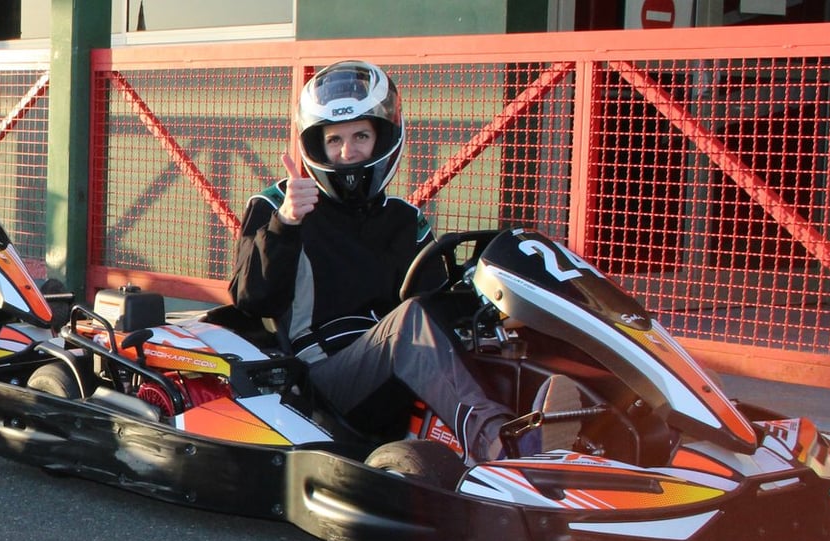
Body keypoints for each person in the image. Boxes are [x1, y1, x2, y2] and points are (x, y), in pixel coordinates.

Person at [229, 60, 573, 465]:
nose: (347, 151)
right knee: (409, 325)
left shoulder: (404, 218)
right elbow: (251, 300)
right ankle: (504, 446)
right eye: (334, 139)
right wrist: (286, 224)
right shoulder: (280, 204)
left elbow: (434, 300)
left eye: (361, 136)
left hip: (395, 371)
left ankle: (594, 426)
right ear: (316, 145)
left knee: (485, 328)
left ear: (383, 138)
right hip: (323, 383)